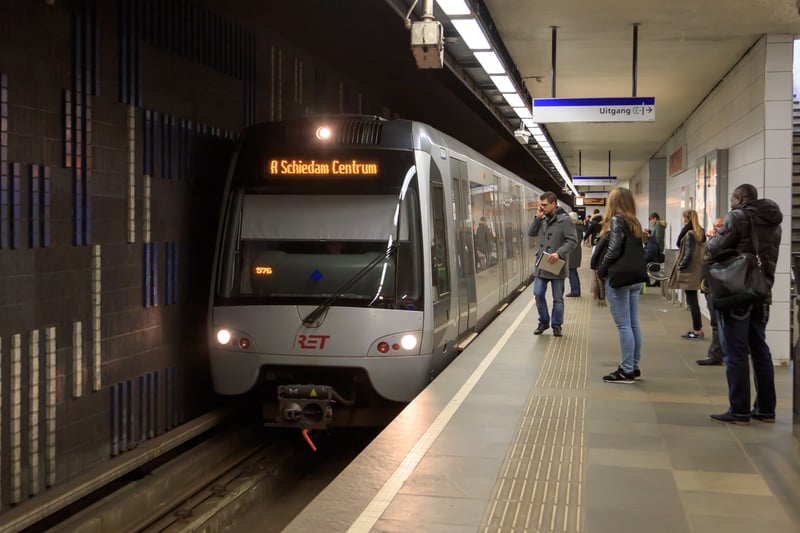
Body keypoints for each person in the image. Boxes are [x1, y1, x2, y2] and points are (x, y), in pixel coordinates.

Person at [706, 184, 782, 424]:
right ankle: (766, 409)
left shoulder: (737, 217)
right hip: (761, 290)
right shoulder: (773, 222)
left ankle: (738, 410)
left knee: (735, 352)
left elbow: (715, 248)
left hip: (737, 291)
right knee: (760, 350)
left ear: (739, 198)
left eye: (731, 198)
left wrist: (712, 239)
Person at [591, 187, 644, 383]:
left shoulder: (617, 220)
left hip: (619, 279)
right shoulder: (635, 222)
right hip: (634, 279)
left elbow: (613, 250)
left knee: (624, 326)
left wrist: (602, 270)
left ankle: (626, 371)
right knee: (633, 323)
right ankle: (634, 366)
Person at [528, 192, 577, 337]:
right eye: (540, 204)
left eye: (544, 205)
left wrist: (559, 253)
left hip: (557, 265)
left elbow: (572, 241)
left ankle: (556, 325)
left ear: (553, 205)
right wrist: (537, 218)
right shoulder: (541, 218)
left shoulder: (565, 220)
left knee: (558, 298)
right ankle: (543, 321)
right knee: (538, 293)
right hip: (542, 265)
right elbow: (531, 233)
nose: (541, 207)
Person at [667, 209, 706, 340]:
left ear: (686, 219)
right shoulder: (699, 232)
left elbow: (688, 253)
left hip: (688, 271)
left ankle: (697, 330)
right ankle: (697, 328)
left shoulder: (689, 234)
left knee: (692, 300)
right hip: (696, 269)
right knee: (693, 300)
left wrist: (680, 266)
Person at [696, 217, 726, 366]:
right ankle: (718, 352)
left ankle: (716, 354)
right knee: (717, 322)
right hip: (711, 286)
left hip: (717, 287)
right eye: (715, 226)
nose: (715, 228)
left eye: (719, 226)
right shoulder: (715, 241)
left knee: (716, 322)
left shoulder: (722, 243)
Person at [566, 212, 583, 297]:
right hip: (575, 253)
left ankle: (575, 291)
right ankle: (576, 290)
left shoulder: (574, 228)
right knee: (574, 272)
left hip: (572, 253)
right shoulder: (579, 227)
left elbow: (572, 241)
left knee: (571, 272)